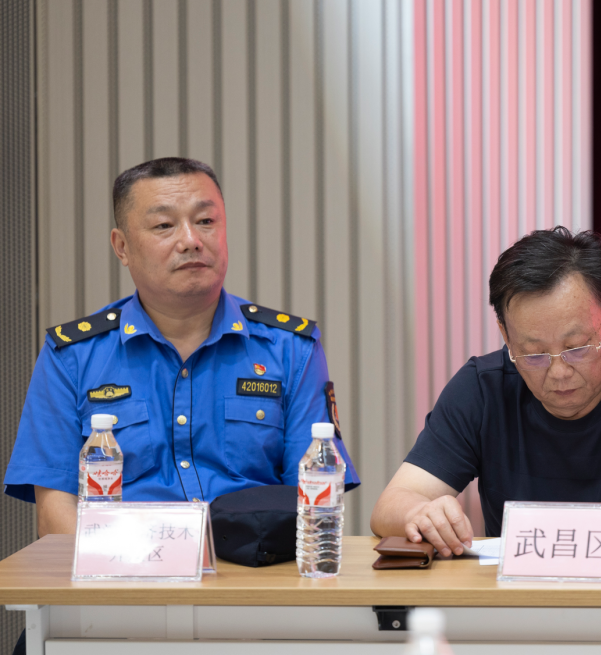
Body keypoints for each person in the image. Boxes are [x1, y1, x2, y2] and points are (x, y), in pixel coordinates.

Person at [3, 157, 359, 536]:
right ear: (122, 247)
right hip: (123, 566)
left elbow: (317, 501)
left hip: (253, 566)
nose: (191, 240)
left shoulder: (291, 349)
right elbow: (55, 514)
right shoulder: (72, 356)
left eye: (205, 221)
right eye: (164, 225)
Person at [370, 227, 601, 555]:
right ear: (506, 337)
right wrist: (420, 514)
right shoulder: (482, 388)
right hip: (522, 590)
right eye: (534, 354)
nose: (559, 372)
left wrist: (542, 529)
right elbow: (390, 506)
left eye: (577, 347)